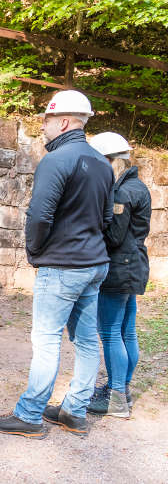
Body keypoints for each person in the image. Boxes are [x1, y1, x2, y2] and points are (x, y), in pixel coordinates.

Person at [0, 90, 114, 438]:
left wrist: (35, 252)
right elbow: (106, 219)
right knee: (87, 341)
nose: (43, 128)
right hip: (94, 263)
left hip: (63, 266)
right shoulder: (102, 163)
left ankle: (29, 415)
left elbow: (39, 215)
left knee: (46, 340)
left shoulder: (56, 161)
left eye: (46, 121)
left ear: (64, 122)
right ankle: (74, 411)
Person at [87, 132, 151, 418]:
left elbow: (113, 236)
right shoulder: (139, 186)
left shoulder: (121, 193)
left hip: (119, 268)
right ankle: (121, 390)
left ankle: (116, 397)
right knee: (126, 331)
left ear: (109, 161)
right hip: (134, 265)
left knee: (111, 332)